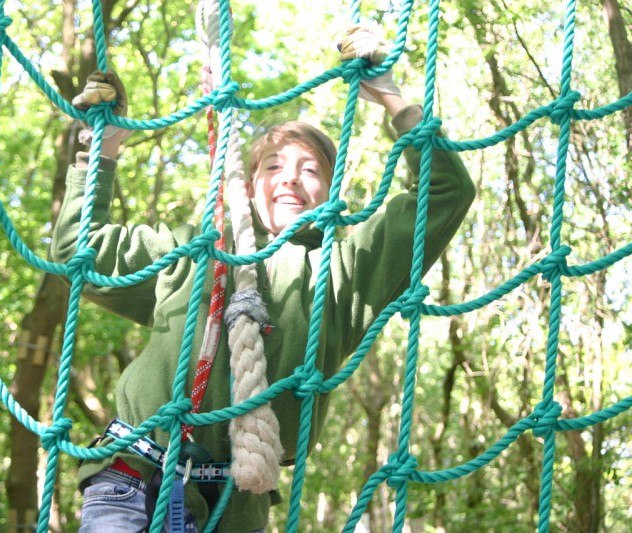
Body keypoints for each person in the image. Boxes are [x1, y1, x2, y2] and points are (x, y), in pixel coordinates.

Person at [51, 24, 475, 533]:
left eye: (309, 169)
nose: (290, 178)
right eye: (273, 166)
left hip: (239, 498)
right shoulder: (197, 250)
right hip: (136, 475)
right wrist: (102, 151)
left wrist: (391, 97)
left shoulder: (343, 273)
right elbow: (80, 254)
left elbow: (448, 193)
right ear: (250, 187)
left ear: (331, 189)